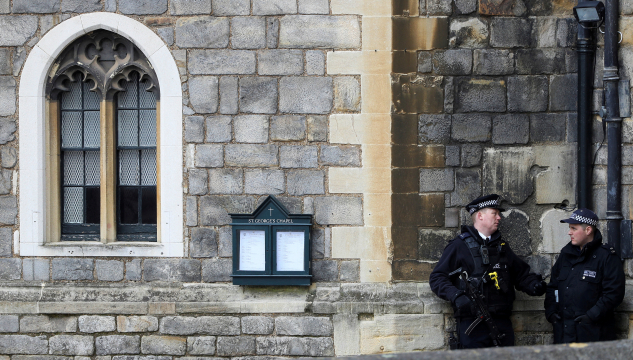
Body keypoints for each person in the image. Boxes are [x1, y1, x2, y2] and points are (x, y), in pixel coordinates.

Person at [429, 194, 547, 349]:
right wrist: (456, 296)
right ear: (480, 215)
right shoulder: (459, 246)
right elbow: (437, 277)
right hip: (472, 324)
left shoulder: (502, 247)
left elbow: (521, 274)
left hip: (501, 322)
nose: (499, 218)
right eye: (495, 213)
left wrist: (533, 285)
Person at [544, 208, 625, 344]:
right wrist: (551, 313)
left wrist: (591, 317)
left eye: (574, 228)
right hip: (564, 334)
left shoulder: (606, 257)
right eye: (570, 228)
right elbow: (553, 286)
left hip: (593, 335)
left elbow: (613, 293)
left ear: (588, 230)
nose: (569, 232)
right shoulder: (565, 255)